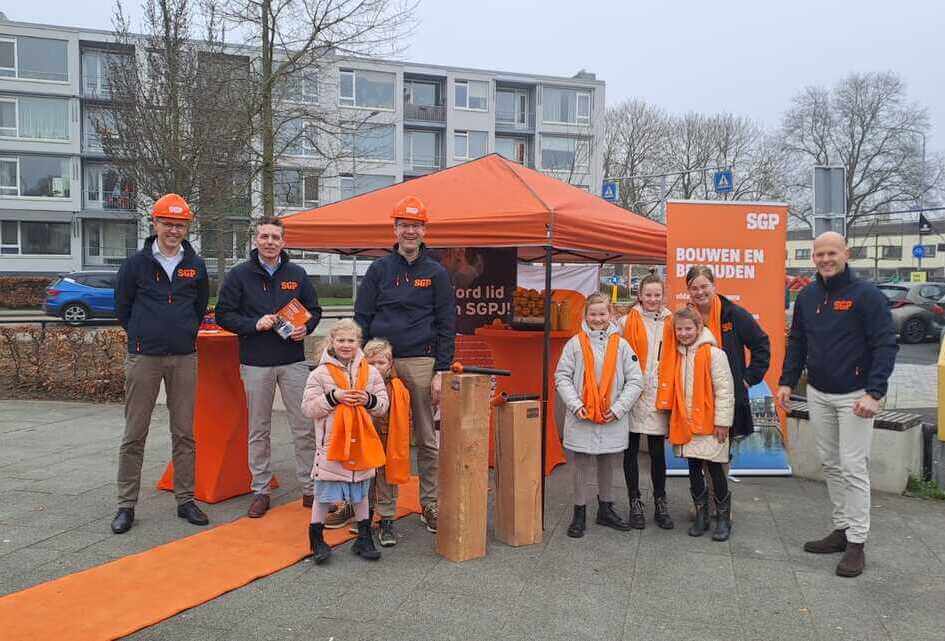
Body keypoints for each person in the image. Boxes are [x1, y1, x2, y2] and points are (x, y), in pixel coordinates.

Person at [777, 232, 897, 578]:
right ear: (813, 258)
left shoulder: (866, 295)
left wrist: (874, 393)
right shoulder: (808, 295)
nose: (825, 259)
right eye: (819, 254)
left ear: (846, 253)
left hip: (855, 397)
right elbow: (797, 340)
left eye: (832, 252)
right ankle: (842, 529)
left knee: (853, 465)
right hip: (818, 392)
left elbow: (886, 344)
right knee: (830, 463)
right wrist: (787, 381)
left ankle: (857, 543)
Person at [354, 196, 455, 534]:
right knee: (381, 436)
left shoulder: (436, 272)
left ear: (424, 230)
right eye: (404, 225)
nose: (410, 231)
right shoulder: (379, 269)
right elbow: (362, 319)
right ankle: (377, 508)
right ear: (395, 229)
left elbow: (446, 325)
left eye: (416, 225)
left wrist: (442, 371)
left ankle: (430, 504)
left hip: (423, 363)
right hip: (382, 363)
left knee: (427, 438)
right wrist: (362, 364)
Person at [110, 193, 210, 534]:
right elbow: (123, 308)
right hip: (144, 356)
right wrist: (143, 335)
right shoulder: (136, 265)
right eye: (167, 223)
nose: (173, 230)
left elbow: (198, 308)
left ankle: (186, 499)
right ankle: (126, 505)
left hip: (183, 357)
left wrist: (181, 334)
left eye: (179, 225)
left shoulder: (195, 266)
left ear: (186, 227)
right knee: (134, 433)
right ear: (154, 223)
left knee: (184, 432)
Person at [215, 216, 323, 518]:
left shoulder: (297, 274)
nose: (270, 242)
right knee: (258, 429)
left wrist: (308, 327)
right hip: (256, 362)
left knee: (304, 428)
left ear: (283, 242)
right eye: (264, 236)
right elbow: (223, 315)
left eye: (276, 237)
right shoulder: (239, 276)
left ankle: (310, 488)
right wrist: (253, 324)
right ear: (256, 239)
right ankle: (260, 489)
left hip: (293, 361)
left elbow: (314, 310)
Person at [555, 293, 644, 538]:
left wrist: (619, 408)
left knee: (608, 462)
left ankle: (605, 508)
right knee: (580, 462)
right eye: (593, 314)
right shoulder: (574, 343)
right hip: (581, 413)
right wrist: (574, 405)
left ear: (611, 315)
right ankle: (579, 511)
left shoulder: (623, 346)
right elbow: (562, 376)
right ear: (585, 316)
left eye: (602, 314)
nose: (597, 318)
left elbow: (636, 380)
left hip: (611, 414)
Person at [301, 320, 389, 564]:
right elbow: (308, 408)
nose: (346, 345)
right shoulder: (319, 374)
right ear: (332, 342)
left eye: (351, 340)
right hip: (331, 445)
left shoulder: (369, 372)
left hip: (360, 442)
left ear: (358, 343)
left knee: (360, 493)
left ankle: (363, 537)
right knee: (324, 495)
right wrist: (333, 397)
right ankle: (317, 539)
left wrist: (368, 399)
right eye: (341, 340)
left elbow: (383, 405)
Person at [658, 308, 735, 541]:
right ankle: (701, 514)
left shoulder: (714, 354)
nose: (683, 333)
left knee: (714, 469)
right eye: (679, 329)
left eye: (688, 328)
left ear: (699, 328)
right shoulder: (677, 354)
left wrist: (723, 422)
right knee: (693, 469)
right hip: (686, 421)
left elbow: (725, 389)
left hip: (710, 422)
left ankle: (723, 518)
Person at [684, 265, 770, 440]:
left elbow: (761, 344)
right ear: (688, 291)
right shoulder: (685, 318)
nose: (699, 292)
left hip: (726, 397)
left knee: (721, 456)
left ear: (714, 286)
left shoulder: (733, 314)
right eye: (694, 288)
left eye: (704, 286)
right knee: (695, 455)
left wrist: (747, 379)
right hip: (693, 397)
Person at [618, 274, 673, 530]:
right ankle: (634, 501)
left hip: (658, 394)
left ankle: (660, 501)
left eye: (657, 295)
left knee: (657, 452)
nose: (652, 299)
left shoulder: (672, 322)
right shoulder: (626, 321)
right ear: (640, 295)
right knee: (629, 451)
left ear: (663, 296)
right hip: (632, 393)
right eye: (648, 295)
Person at [345, 338, 412, 547]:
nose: (375, 368)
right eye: (371, 363)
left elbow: (403, 419)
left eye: (380, 363)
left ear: (390, 364)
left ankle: (387, 521)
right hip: (365, 442)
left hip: (386, 441)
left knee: (386, 482)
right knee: (365, 479)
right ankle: (365, 516)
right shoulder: (357, 385)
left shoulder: (396, 388)